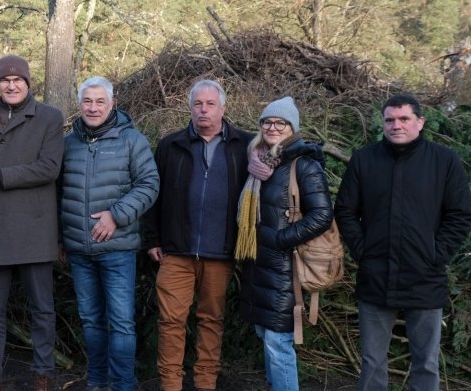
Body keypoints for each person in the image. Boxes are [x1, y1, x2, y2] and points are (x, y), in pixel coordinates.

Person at [334, 94, 471, 391]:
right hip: (376, 276)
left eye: (404, 119)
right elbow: (345, 211)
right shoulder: (364, 159)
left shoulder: (444, 161)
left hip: (425, 277)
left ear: (420, 122)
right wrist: (363, 252)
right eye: (389, 120)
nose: (396, 125)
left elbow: (460, 215)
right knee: (372, 361)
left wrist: (435, 255)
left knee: (425, 362)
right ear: (383, 123)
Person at [144, 79, 251, 391]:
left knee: (211, 321)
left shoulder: (244, 146)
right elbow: (154, 194)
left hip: (221, 252)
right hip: (176, 252)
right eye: (198, 104)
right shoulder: (171, 145)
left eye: (210, 104)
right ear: (189, 108)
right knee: (170, 322)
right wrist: (152, 239)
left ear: (223, 109)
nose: (204, 110)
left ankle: (205, 383)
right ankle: (171, 385)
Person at [0, 54, 65, 391]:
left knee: (41, 309)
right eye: (5, 80)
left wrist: (2, 175)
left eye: (18, 80)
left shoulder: (50, 118)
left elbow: (49, 167)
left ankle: (43, 372)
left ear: (28, 83)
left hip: (34, 231)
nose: (11, 85)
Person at [58, 76, 159, 391]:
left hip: (117, 249)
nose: (93, 107)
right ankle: (97, 382)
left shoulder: (133, 141)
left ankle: (123, 384)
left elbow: (149, 184)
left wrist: (116, 216)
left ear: (112, 103)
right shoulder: (68, 144)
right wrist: (60, 238)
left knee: (121, 323)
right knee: (90, 321)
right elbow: (58, 192)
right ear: (79, 104)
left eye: (100, 101)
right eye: (87, 101)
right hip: (79, 250)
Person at [234, 96, 334, 391]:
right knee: (267, 336)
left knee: (278, 343)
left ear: (293, 127)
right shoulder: (259, 162)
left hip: (285, 268)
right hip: (258, 264)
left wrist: (280, 240)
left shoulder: (304, 165)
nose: (273, 127)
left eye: (281, 122)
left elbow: (322, 215)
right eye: (267, 121)